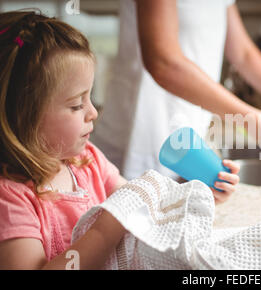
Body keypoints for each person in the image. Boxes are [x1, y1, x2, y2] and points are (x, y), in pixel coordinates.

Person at [0, 10, 240, 270]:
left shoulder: (87, 161)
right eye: (76, 105)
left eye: (89, 98)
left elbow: (148, 206)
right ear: (22, 115)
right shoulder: (10, 199)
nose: (92, 112)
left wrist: (198, 197)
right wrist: (105, 231)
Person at [91, 0, 261, 180]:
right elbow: (162, 62)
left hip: (187, 141)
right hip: (140, 139)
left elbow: (242, 52)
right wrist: (248, 118)